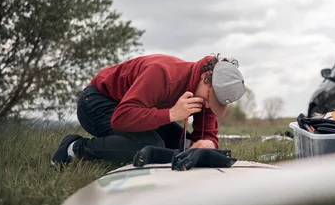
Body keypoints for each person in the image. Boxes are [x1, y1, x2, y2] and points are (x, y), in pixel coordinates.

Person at [50, 53, 245, 165]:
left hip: (137, 110)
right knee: (152, 145)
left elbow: (207, 136)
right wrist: (171, 114)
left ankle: (110, 149)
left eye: (217, 103)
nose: (209, 106)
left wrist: (208, 144)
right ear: (207, 76)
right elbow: (121, 118)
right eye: (211, 99)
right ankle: (75, 147)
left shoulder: (208, 92)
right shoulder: (162, 73)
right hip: (97, 103)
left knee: (181, 146)